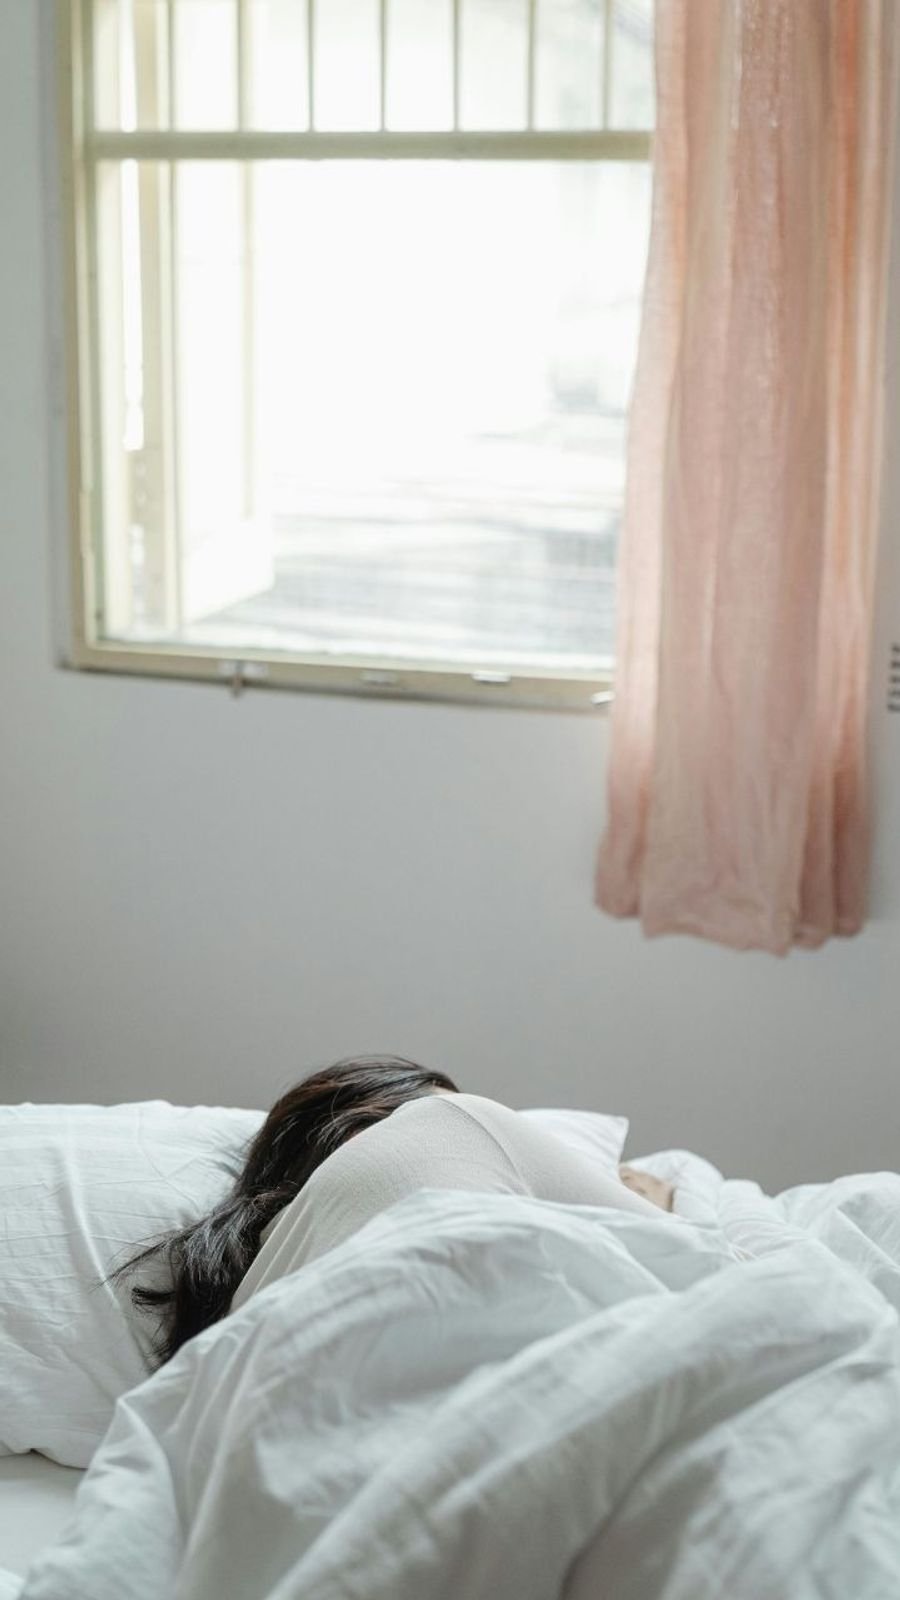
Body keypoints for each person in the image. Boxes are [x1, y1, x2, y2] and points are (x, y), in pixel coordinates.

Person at [113, 1055, 673, 1367]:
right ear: (373, 1118)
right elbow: (704, 1276)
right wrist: (650, 1200)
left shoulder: (233, 1324)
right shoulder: (454, 1122)